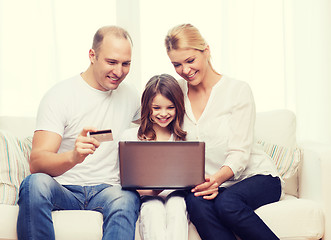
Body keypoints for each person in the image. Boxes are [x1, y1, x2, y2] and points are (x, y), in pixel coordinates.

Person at [17, 26, 141, 240]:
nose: (119, 72)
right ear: (92, 56)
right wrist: (74, 157)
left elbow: (159, 125)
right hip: (64, 188)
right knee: (33, 184)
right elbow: (37, 163)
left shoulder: (130, 96)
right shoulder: (60, 96)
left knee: (127, 197)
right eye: (111, 62)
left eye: (126, 64)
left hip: (108, 189)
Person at [164, 23, 282, 240]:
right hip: (211, 184)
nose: (185, 70)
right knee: (194, 201)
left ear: (206, 51)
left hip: (256, 177)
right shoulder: (175, 93)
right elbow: (154, 120)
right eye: (177, 65)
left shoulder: (237, 91)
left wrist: (216, 180)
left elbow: (240, 153)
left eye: (190, 60)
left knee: (227, 203)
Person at [120, 74, 188, 240]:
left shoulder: (186, 137)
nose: (163, 114)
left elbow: (191, 178)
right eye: (156, 108)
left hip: (177, 195)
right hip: (147, 196)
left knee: (177, 206)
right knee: (153, 209)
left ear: (178, 107)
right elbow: (126, 181)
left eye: (170, 107)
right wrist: (153, 190)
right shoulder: (130, 137)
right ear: (147, 107)